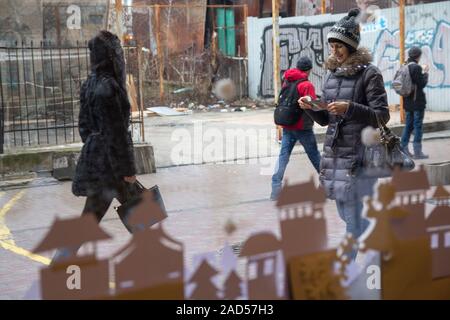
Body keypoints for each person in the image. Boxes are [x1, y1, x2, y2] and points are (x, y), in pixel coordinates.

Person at [299, 8, 390, 260]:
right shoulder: (332, 75)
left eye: (340, 46)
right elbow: (328, 117)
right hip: (336, 153)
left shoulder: (369, 74)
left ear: (351, 46)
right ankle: (376, 235)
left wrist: (349, 108)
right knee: (344, 210)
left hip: (360, 156)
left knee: (351, 215)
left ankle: (345, 265)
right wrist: (312, 107)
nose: (335, 51)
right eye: (332, 46)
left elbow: (381, 115)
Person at [50, 31, 138, 262]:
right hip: (112, 167)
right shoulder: (109, 87)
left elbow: (84, 126)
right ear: (112, 57)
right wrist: (128, 170)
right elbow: (117, 132)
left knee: (140, 212)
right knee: (97, 219)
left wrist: (94, 145)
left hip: (101, 161)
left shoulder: (90, 83)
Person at [271, 56, 321, 200]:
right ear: (309, 70)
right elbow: (312, 106)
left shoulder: (287, 79)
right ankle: (328, 183)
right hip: (303, 127)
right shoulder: (306, 85)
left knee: (283, 157)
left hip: (287, 125)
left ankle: (275, 190)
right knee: (315, 156)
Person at [400, 46, 429, 159]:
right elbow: (421, 84)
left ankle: (403, 149)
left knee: (408, 126)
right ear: (418, 56)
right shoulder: (416, 68)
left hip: (407, 102)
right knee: (418, 127)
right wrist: (425, 73)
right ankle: (418, 152)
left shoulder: (405, 66)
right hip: (417, 103)